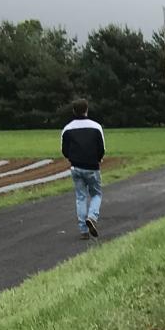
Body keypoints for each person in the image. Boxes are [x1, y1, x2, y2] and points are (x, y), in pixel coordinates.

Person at [61, 98, 106, 238]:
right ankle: (92, 217)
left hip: (76, 167)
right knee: (96, 194)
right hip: (92, 167)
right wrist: (98, 159)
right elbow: (102, 148)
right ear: (87, 109)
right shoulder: (96, 127)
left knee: (80, 197)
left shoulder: (67, 128)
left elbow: (64, 150)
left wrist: (72, 158)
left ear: (74, 111)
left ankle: (83, 231)